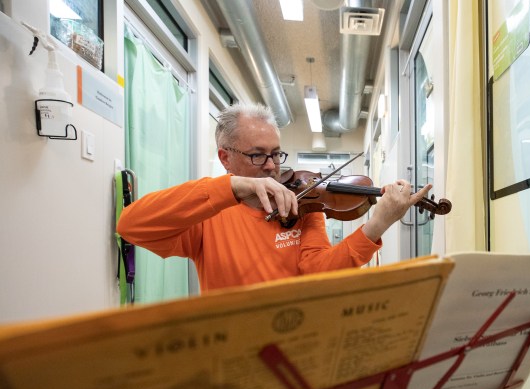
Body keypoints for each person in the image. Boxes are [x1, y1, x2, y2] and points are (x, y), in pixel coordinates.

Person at [117, 102, 432, 292]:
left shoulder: (304, 205)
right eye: (257, 156)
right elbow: (131, 226)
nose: (271, 166)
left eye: (276, 154)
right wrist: (231, 188)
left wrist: (376, 225)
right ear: (225, 158)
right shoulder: (209, 209)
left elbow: (318, 272)